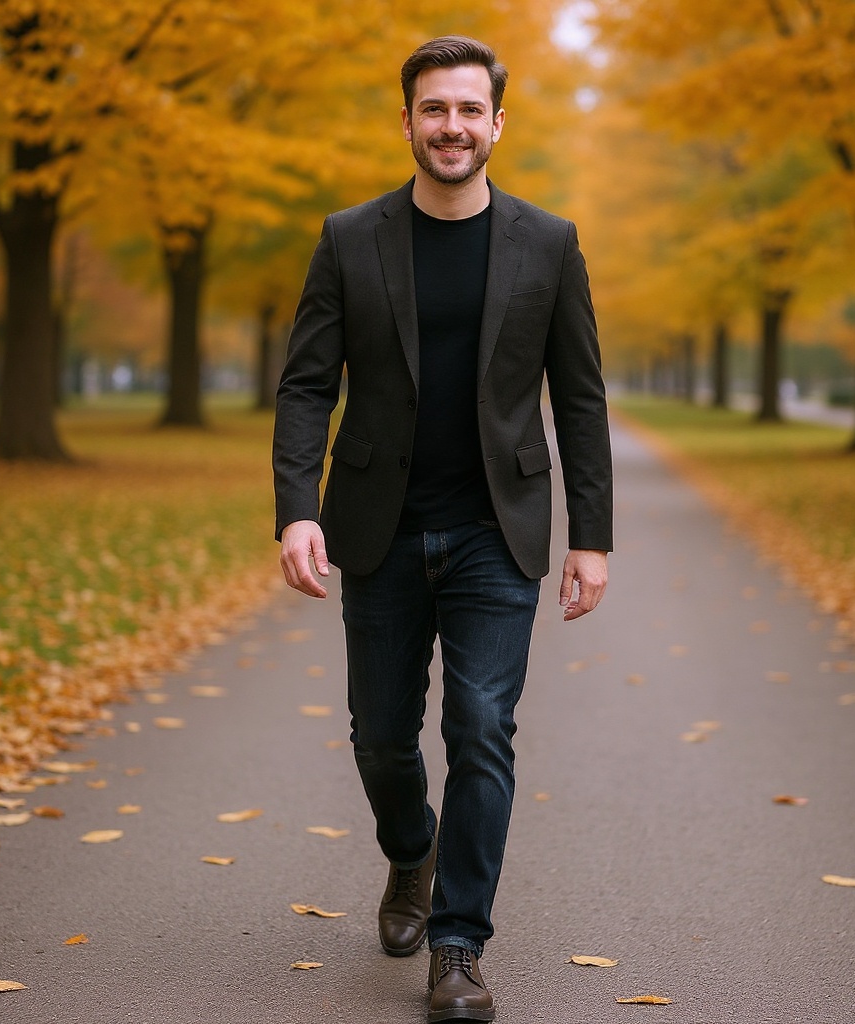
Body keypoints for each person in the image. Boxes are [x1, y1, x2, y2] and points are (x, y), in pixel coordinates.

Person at [273, 35, 613, 1022]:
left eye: (469, 109)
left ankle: (459, 944)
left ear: (497, 123)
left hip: (493, 533)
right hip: (375, 528)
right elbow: (305, 385)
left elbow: (580, 397)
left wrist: (590, 532)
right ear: (410, 120)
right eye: (434, 109)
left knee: (480, 729)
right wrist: (297, 507)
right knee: (380, 737)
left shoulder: (549, 243)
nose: (451, 126)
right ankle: (409, 850)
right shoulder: (349, 238)